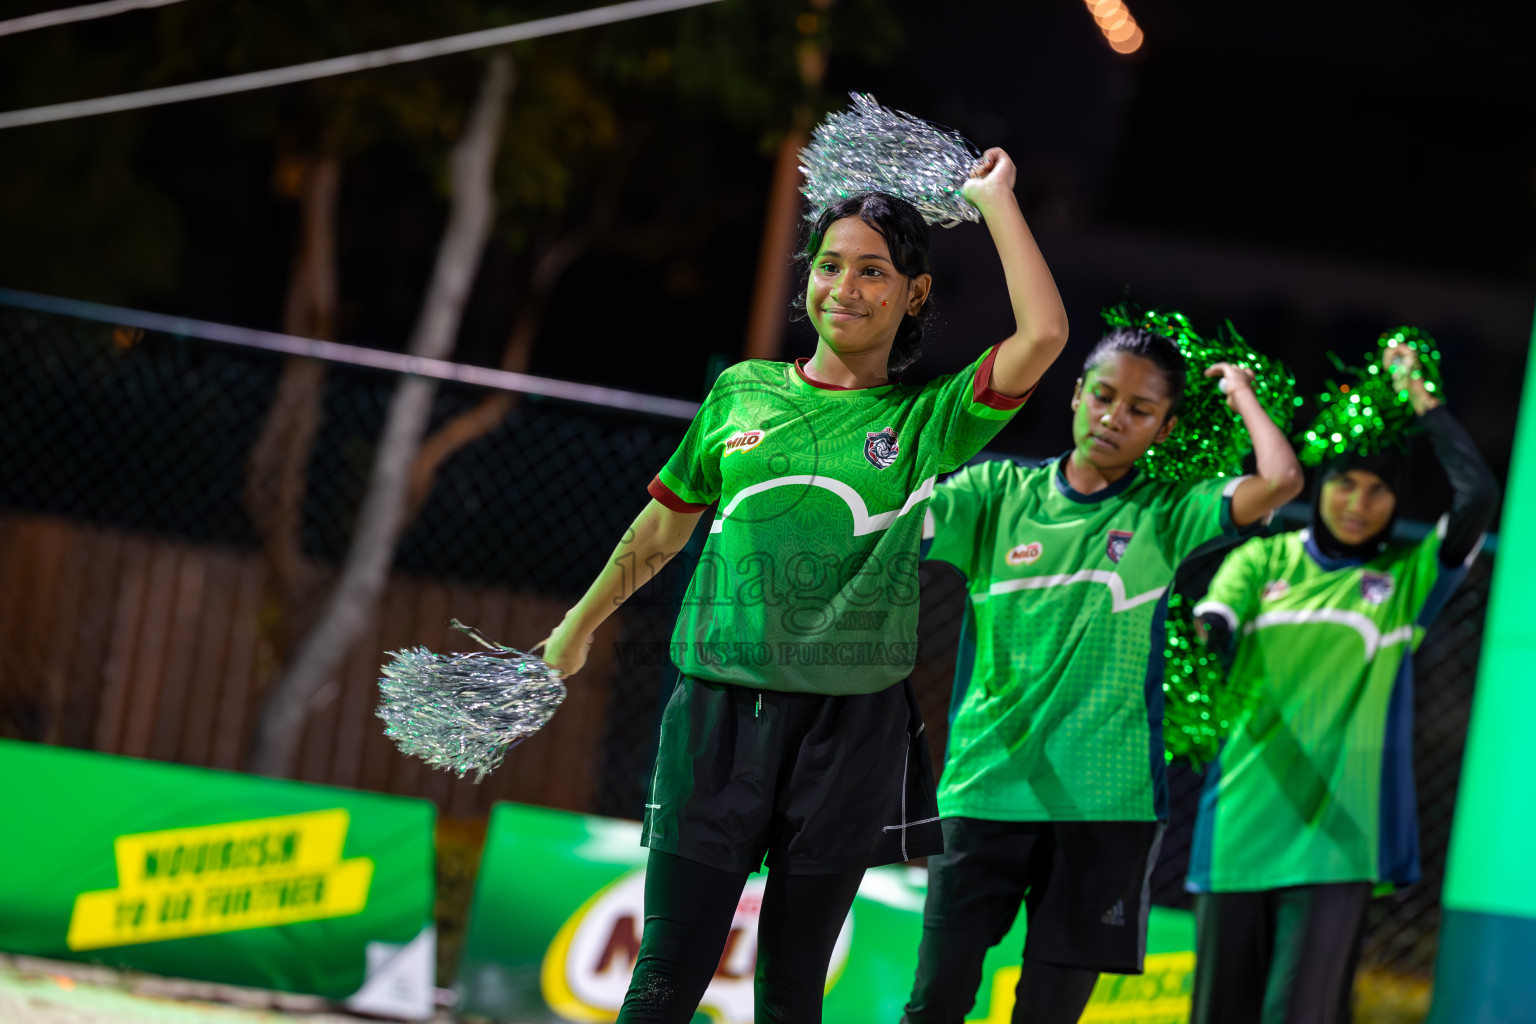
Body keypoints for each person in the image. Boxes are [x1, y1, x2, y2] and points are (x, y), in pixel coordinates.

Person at [539, 147, 1070, 1024]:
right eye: (830, 266)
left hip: (850, 730)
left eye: (873, 271)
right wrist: (580, 622)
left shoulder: (928, 420)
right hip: (715, 713)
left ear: (915, 295)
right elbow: (666, 523)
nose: (846, 289)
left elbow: (1044, 337)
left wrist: (996, 203)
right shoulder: (741, 393)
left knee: (790, 992)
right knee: (665, 976)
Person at [903, 321, 1306, 1024]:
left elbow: (1280, 481)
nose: (1115, 417)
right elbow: (899, 516)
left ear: (1165, 426)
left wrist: (1241, 393)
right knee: (935, 1003)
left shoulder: (1165, 513)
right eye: (1103, 396)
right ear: (1076, 396)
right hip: (984, 790)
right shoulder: (998, 492)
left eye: (1140, 409)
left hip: (1107, 808)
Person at [1186, 343, 1498, 1024]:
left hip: (1337, 845)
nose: (1358, 502)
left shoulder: (1404, 585)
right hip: (1239, 830)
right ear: (1319, 484)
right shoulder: (1262, 557)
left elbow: (1477, 493)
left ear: (1396, 500)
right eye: (1343, 482)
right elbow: (1213, 622)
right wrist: (1203, 645)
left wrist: (1420, 394)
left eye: (1378, 488)